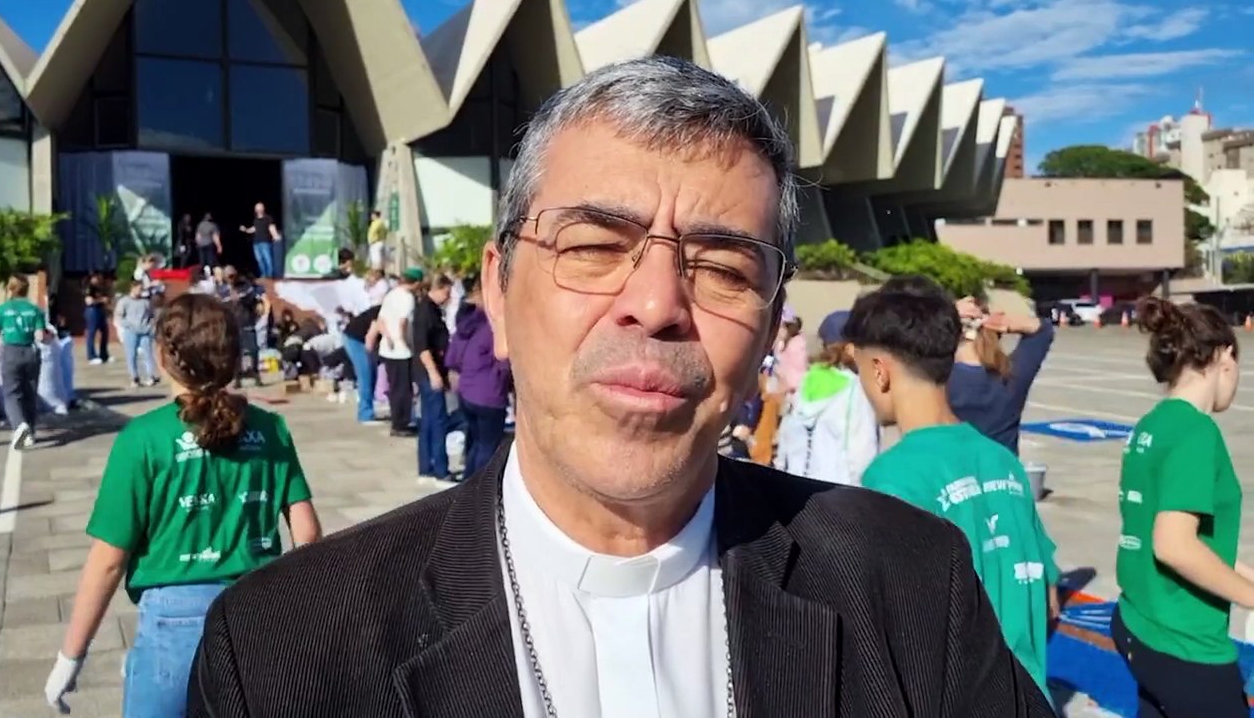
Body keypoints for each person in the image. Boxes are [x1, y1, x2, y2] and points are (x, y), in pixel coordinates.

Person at [187, 56, 1054, 717]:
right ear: (498, 288)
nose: (656, 305)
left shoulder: (912, 584)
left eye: (723, 267)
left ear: (769, 325)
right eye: (595, 247)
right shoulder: (281, 651)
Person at [44, 293, 322, 717]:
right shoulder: (270, 428)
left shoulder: (143, 438)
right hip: (258, 612)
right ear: (233, 357)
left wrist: (71, 655)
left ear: (162, 356)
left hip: (175, 622)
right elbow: (308, 533)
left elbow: (108, 560)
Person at [844, 275, 1060, 703]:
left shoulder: (893, 478)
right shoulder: (1003, 462)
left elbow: (895, 635)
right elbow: (1046, 595)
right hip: (1032, 698)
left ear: (880, 372)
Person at [1112, 297, 1248, 718]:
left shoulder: (1153, 424)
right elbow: (1174, 546)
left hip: (1140, 622)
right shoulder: (1196, 432)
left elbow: (1193, 539)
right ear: (1224, 356)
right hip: (1184, 641)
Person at [775, 310, 878, 485]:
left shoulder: (808, 380)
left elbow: (786, 438)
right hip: (836, 489)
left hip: (796, 484)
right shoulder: (855, 389)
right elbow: (862, 452)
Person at [948, 295, 1053, 454]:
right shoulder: (1011, 375)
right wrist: (1006, 323)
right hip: (1003, 468)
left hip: (949, 468)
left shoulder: (936, 379)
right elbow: (1043, 331)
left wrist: (945, 313)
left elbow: (909, 337)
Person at [446, 276, 512, 480]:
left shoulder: (467, 324)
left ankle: (469, 483)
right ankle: (479, 487)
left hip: (467, 391)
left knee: (475, 442)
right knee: (488, 446)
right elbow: (503, 363)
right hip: (489, 394)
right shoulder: (492, 327)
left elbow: (453, 357)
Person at [0, 274, 45, 450]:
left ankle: (19, 425)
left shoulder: (2, 310)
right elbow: (40, 336)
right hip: (30, 352)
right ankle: (31, 434)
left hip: (11, 352)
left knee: (12, 393)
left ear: (10, 288)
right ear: (27, 289)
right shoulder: (35, 310)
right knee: (30, 393)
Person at [412, 274, 454, 480]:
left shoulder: (432, 310)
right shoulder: (425, 312)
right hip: (429, 372)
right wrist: (434, 374)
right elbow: (423, 347)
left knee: (428, 420)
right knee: (438, 421)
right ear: (437, 289)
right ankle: (440, 469)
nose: (448, 296)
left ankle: (426, 466)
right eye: (446, 292)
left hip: (430, 371)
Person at [377, 267, 422, 437]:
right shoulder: (407, 298)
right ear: (416, 283)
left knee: (394, 387)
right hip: (402, 351)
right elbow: (403, 322)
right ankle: (401, 423)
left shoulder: (391, 294)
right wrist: (405, 341)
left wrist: (388, 337)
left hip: (388, 348)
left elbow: (381, 320)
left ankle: (397, 421)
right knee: (404, 389)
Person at [217, 267, 264, 388]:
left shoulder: (245, 286)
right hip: (232, 325)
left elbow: (253, 299)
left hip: (247, 323)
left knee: (253, 350)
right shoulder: (222, 291)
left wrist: (256, 305)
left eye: (233, 276)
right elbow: (221, 308)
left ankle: (255, 374)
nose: (231, 279)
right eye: (229, 276)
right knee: (235, 353)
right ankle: (237, 377)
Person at [340, 297, 383, 423]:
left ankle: (368, 408)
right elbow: (370, 339)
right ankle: (365, 414)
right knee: (366, 374)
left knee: (372, 374)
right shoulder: (383, 312)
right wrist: (371, 358)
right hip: (355, 339)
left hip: (365, 339)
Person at [115, 282, 160, 389]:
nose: (140, 291)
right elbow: (119, 316)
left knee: (148, 354)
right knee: (131, 355)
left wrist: (150, 326)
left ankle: (150, 376)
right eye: (139, 289)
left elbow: (152, 315)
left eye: (141, 289)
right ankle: (134, 377)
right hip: (131, 332)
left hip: (145, 331)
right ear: (133, 288)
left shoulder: (145, 302)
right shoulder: (124, 301)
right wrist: (127, 325)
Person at [240, 202, 281, 279]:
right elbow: (254, 229)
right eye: (257, 208)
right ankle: (264, 275)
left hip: (265, 242)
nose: (258, 209)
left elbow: (271, 227)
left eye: (260, 208)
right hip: (256, 243)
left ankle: (270, 276)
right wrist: (245, 230)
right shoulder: (255, 219)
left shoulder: (268, 218)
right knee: (260, 260)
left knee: (268, 260)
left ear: (263, 208)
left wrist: (275, 235)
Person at [82, 273, 110, 365]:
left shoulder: (101, 287)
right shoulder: (89, 288)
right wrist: (101, 300)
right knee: (91, 332)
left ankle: (104, 355)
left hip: (100, 309)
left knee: (105, 331)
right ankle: (91, 356)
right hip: (92, 310)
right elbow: (89, 301)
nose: (98, 280)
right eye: (96, 278)